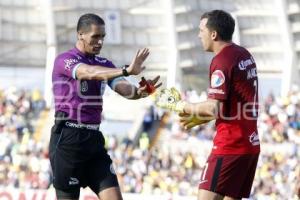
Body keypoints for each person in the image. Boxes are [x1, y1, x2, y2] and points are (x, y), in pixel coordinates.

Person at [49, 13, 161, 200]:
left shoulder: (105, 64)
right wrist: (126, 70)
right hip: (68, 139)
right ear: (80, 35)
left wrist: (140, 92)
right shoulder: (65, 60)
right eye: (95, 37)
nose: (100, 41)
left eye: (102, 37)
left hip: (93, 139)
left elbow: (124, 90)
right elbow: (90, 73)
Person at [156, 10, 259, 200]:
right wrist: (201, 117)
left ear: (213, 34)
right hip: (250, 145)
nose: (198, 35)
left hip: (230, 145)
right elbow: (235, 103)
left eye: (201, 30)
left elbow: (214, 107)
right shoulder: (244, 55)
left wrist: (179, 105)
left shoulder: (221, 61)